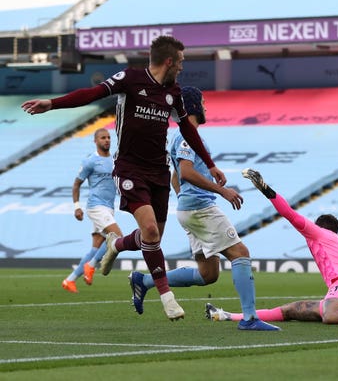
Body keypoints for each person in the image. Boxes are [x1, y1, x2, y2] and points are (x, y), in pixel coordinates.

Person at [21, 35, 226, 321]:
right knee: (152, 234)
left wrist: (211, 164)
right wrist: (52, 103)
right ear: (169, 61)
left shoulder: (174, 93)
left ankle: (116, 244)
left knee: (149, 237)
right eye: (180, 62)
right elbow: (92, 94)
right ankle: (167, 298)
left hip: (158, 172)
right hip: (130, 169)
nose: (181, 67)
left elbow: (189, 131)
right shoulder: (130, 79)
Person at [128, 86, 279, 331]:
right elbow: (185, 172)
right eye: (203, 102)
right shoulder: (187, 136)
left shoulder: (181, 136)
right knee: (240, 253)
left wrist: (185, 200)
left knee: (208, 274)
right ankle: (250, 319)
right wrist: (222, 191)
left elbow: (175, 177)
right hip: (201, 209)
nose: (206, 106)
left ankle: (143, 281)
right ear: (193, 106)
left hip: (188, 210)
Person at [205, 168, 338, 326]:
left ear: (320, 228)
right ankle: (226, 315)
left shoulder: (319, 233)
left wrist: (265, 189)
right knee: (288, 311)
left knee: (330, 316)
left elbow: (289, 214)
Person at [62, 128, 124, 293]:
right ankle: (91, 266)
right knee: (117, 237)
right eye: (103, 138)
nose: (107, 140)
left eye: (108, 137)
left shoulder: (114, 160)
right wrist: (77, 207)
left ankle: (70, 280)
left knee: (96, 247)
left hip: (109, 208)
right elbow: (76, 184)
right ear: (95, 141)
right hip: (96, 207)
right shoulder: (90, 161)